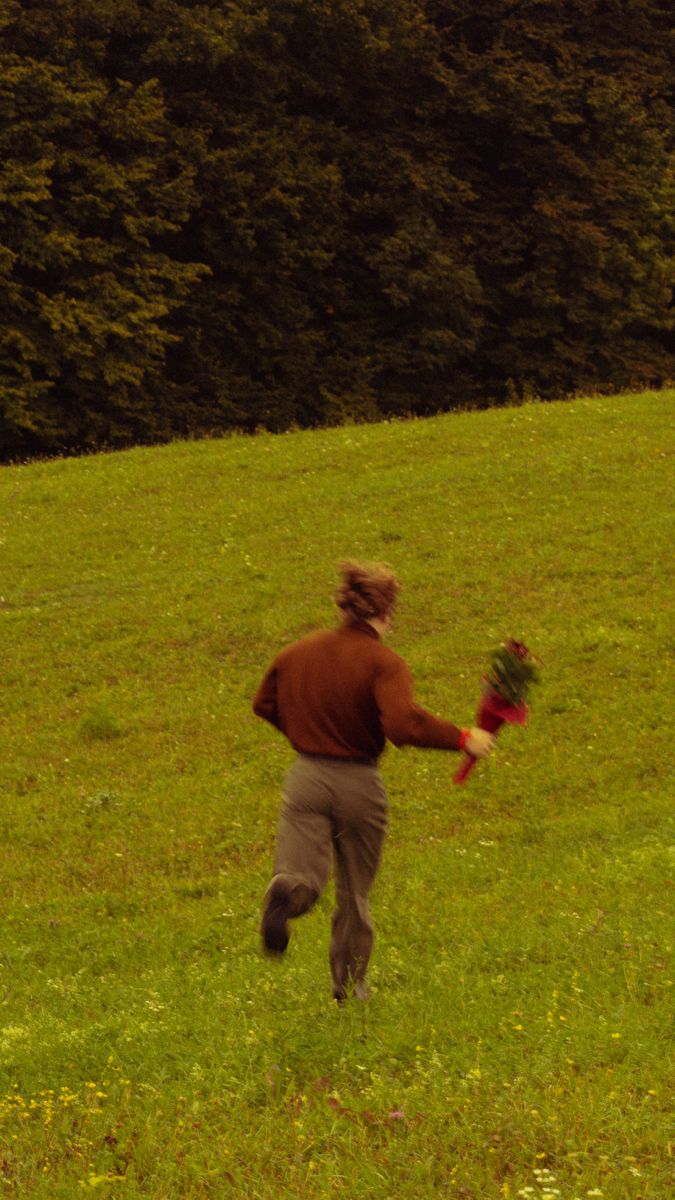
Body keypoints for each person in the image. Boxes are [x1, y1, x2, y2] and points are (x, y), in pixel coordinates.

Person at [252, 560, 495, 1002]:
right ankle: (348, 988)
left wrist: (306, 733)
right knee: (354, 891)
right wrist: (463, 737)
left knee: (301, 870)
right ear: (385, 613)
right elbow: (403, 725)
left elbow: (263, 703)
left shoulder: (296, 653)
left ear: (346, 606)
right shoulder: (384, 663)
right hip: (358, 783)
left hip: (306, 775)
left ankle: (287, 893)